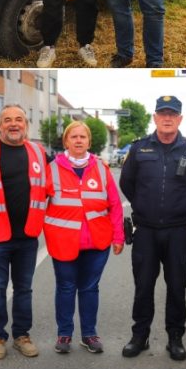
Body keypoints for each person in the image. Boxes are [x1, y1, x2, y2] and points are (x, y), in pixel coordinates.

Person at [119, 95, 186, 360]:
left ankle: (175, 337)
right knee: (143, 285)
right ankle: (140, 335)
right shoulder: (139, 149)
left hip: (178, 230)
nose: (167, 118)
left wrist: (178, 208)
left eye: (173, 114)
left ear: (180, 119)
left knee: (177, 285)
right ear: (155, 117)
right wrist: (145, 206)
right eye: (162, 113)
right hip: (145, 230)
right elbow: (127, 184)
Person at [0, 104, 48, 360]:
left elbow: (64, 170)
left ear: (26, 124)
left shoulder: (38, 151)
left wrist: (95, 160)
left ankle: (22, 335)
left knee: (24, 289)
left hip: (27, 235)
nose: (14, 124)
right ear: (0, 125)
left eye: (19, 120)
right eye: (8, 120)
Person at [44, 121, 124, 355]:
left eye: (83, 137)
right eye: (73, 137)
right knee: (66, 288)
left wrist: (118, 236)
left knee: (90, 288)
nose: (78, 140)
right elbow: (37, 203)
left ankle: (89, 334)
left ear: (89, 141)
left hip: (97, 242)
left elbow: (115, 205)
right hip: (63, 242)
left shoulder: (101, 168)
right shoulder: (52, 169)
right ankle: (64, 334)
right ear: (66, 141)